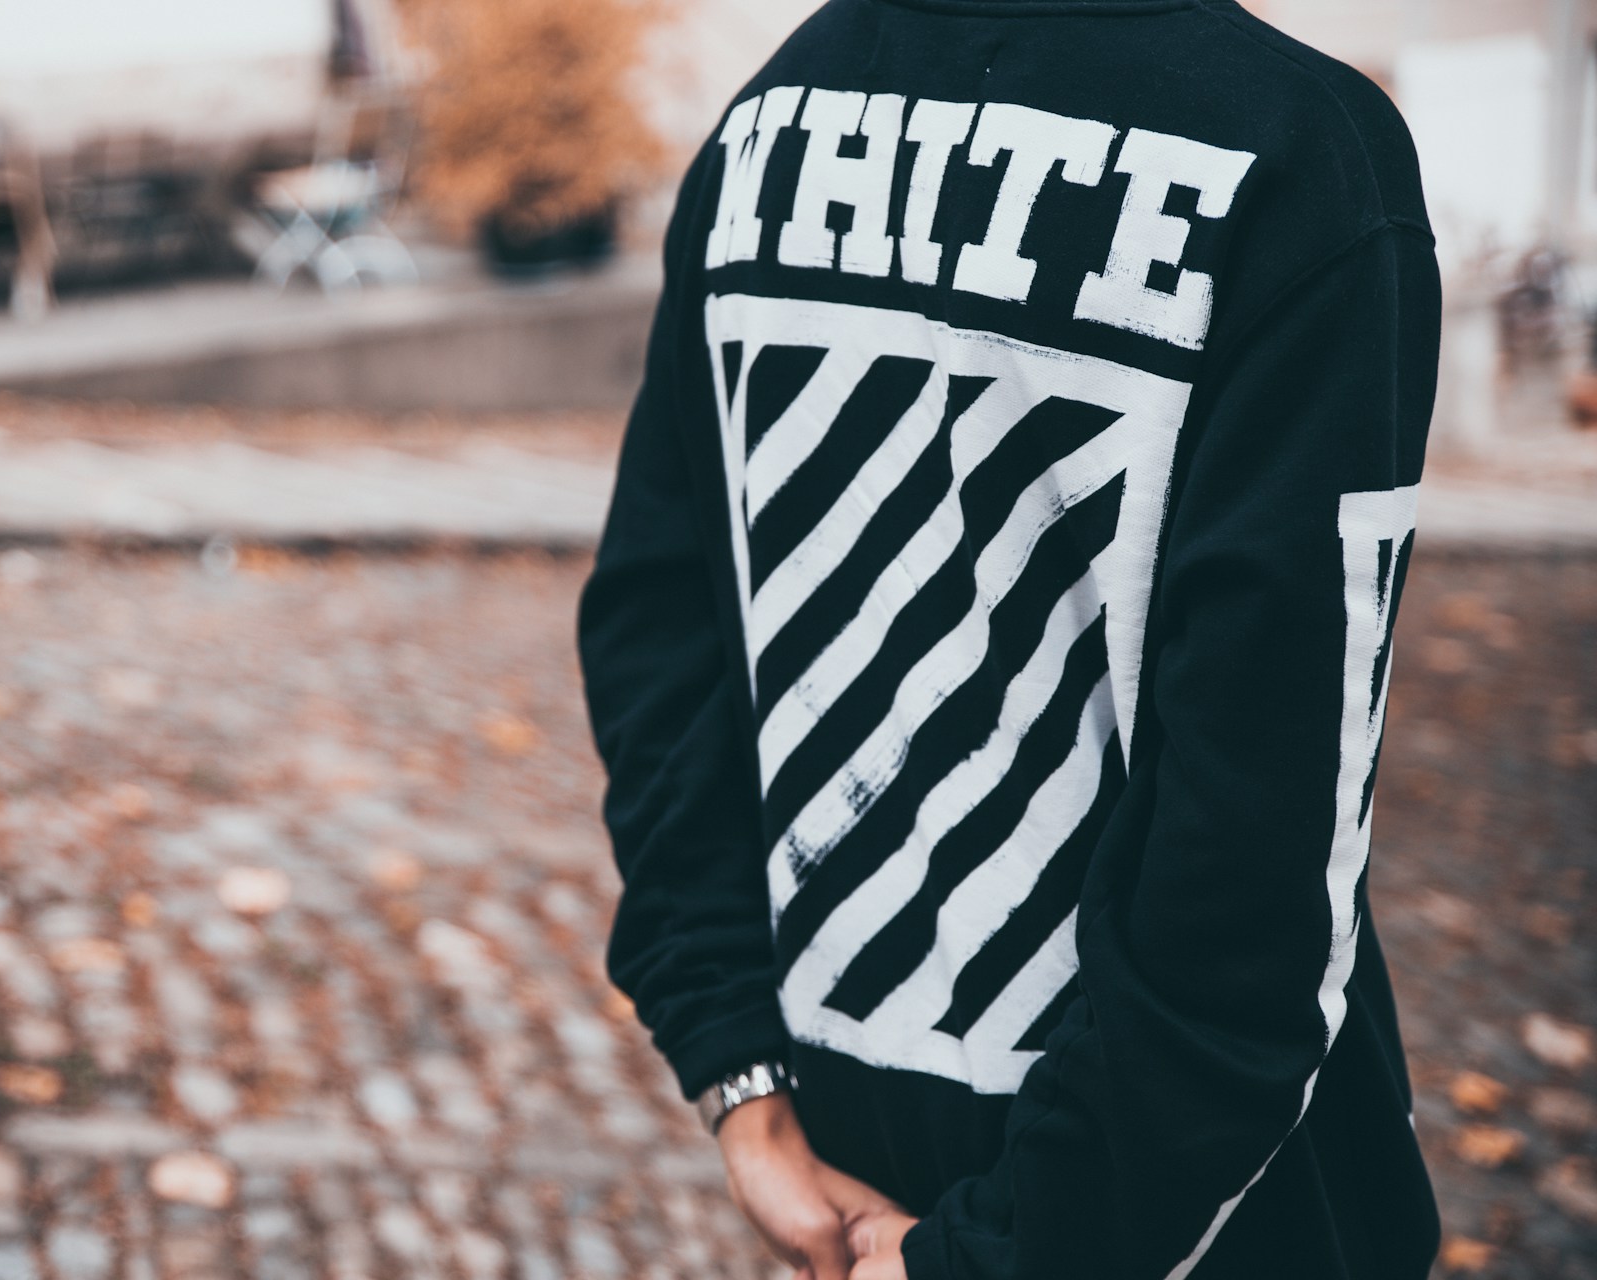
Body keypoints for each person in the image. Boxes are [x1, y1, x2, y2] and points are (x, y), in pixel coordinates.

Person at [576, 1, 1442, 1277]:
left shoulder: (764, 128)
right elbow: (1250, 868)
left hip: (863, 1155)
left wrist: (744, 1086)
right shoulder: (1300, 157)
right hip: (1206, 1223)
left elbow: (660, 641)